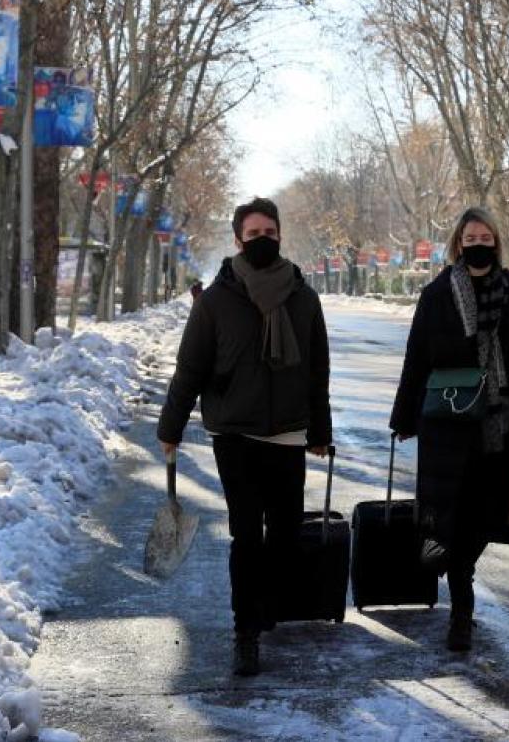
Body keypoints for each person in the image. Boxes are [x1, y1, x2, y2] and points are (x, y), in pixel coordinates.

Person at [157, 197, 331, 678]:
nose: (262, 239)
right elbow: (189, 369)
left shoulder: (303, 297)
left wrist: (320, 429)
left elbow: (318, 370)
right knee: (246, 535)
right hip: (234, 433)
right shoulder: (216, 301)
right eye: (253, 233)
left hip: (289, 433)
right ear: (238, 240)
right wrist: (170, 429)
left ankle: (266, 603)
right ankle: (245, 632)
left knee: (286, 531)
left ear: (280, 235)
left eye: (269, 231)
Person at [390, 206, 509, 653]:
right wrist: (403, 416)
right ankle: (461, 608)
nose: (478, 245)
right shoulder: (438, 292)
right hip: (448, 423)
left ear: (495, 242)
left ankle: (460, 569)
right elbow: (416, 357)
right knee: (449, 515)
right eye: (470, 239)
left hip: (501, 424)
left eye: (485, 239)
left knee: (487, 516)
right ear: (457, 244)